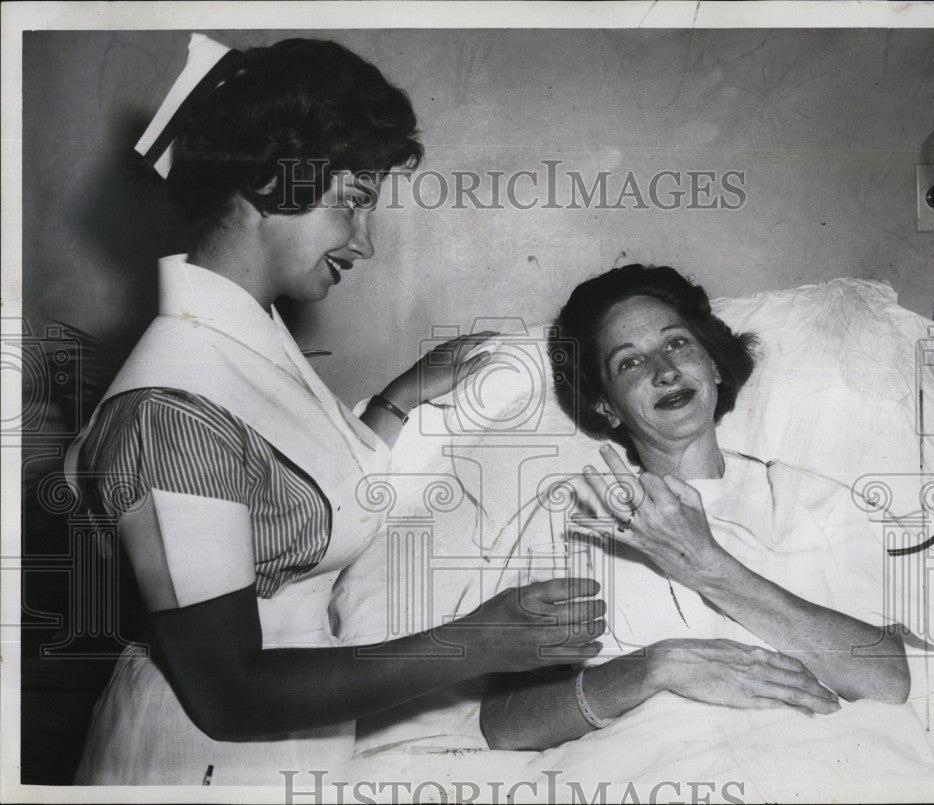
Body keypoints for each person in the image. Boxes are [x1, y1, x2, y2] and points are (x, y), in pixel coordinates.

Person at [66, 34, 604, 785]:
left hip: (292, 756)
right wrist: (476, 643)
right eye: (352, 201)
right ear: (268, 182)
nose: (367, 241)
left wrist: (398, 400)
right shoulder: (169, 407)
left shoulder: (248, 339)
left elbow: (294, 504)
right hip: (196, 768)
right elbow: (230, 692)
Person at [480, 264, 913, 751]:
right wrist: (657, 668)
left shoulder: (814, 499)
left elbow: (889, 681)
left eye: (678, 344)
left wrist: (708, 566)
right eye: (629, 363)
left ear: (713, 364)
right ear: (606, 406)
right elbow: (505, 723)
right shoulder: (575, 515)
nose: (664, 371)